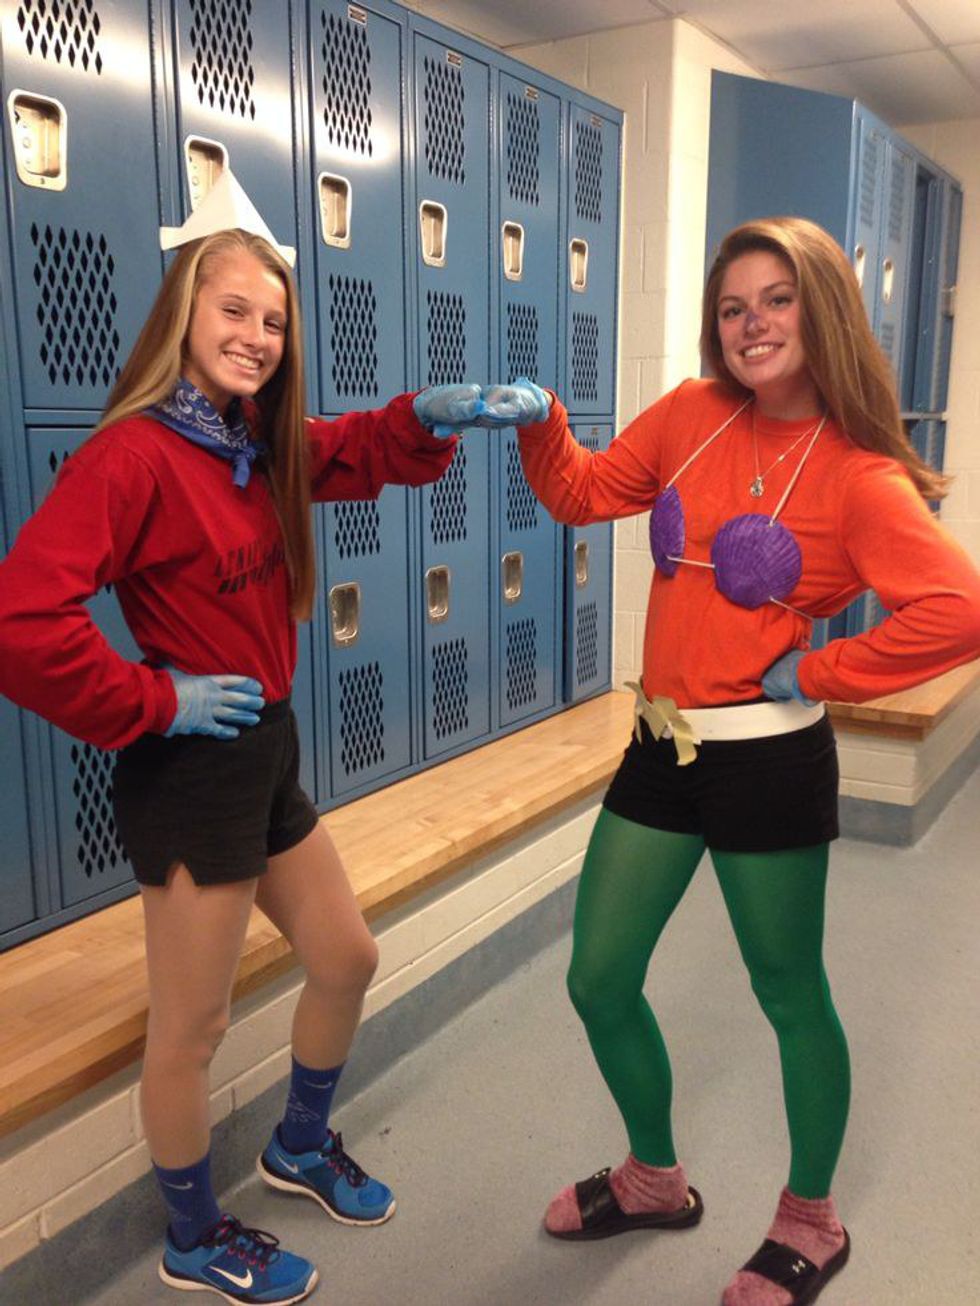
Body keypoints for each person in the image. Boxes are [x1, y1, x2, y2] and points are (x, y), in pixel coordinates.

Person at [0, 176, 496, 1304]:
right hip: (191, 771)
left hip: (263, 748)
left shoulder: (252, 438)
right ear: (184, 310)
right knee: (193, 1026)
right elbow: (21, 621)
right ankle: (191, 1235)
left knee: (347, 957)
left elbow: (349, 448)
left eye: (273, 321)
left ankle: (298, 1145)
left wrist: (425, 416)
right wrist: (153, 700)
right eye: (234, 311)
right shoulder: (132, 457)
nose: (257, 337)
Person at [487, 216, 980, 1306]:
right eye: (732, 307)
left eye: (776, 299)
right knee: (598, 975)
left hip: (768, 763)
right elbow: (581, 493)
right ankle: (652, 1178)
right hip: (661, 746)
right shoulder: (691, 415)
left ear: (821, 310)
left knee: (787, 990)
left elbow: (959, 610)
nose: (752, 323)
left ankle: (811, 1216)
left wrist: (823, 670)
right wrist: (543, 420)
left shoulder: (858, 476)